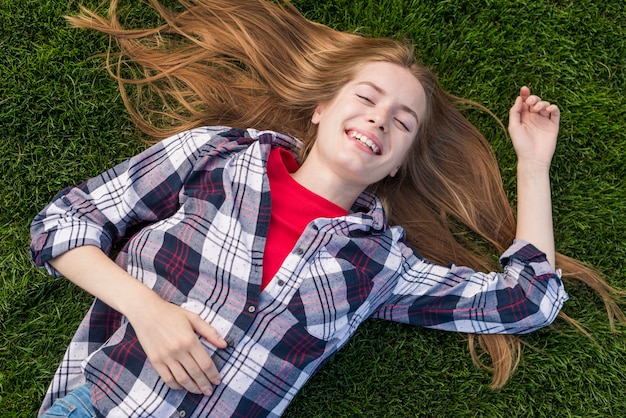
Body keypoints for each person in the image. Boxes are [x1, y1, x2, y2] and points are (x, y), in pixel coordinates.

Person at [30, 0, 623, 417]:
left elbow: (529, 302)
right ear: (320, 109)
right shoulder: (219, 155)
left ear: (395, 165)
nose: (378, 118)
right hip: (106, 406)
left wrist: (532, 164)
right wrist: (147, 309)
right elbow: (62, 224)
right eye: (367, 97)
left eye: (402, 122)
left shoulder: (380, 263)